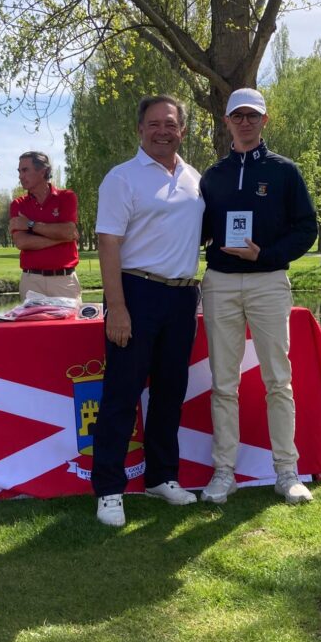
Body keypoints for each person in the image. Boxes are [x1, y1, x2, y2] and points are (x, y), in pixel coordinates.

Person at [199, 88, 319, 504]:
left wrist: (264, 254)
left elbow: (306, 228)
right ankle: (224, 472)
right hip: (220, 282)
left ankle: (287, 471)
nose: (245, 122)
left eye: (253, 116)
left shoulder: (285, 171)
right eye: (238, 116)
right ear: (227, 121)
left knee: (278, 380)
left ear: (264, 120)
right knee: (223, 383)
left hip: (268, 280)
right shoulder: (212, 176)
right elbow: (198, 231)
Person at [90, 95, 205, 527]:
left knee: (170, 393)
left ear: (182, 131)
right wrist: (117, 307)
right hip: (136, 293)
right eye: (154, 124)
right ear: (140, 129)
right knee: (122, 394)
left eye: (170, 124)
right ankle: (109, 489)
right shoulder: (122, 178)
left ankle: (161, 477)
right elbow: (108, 243)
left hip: (182, 296)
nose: (162, 131)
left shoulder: (195, 179)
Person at [9, 151, 81, 302]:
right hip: (31, 282)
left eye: (25, 170)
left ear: (42, 171)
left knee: (70, 319)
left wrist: (30, 224)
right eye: (19, 171)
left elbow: (68, 231)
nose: (20, 176)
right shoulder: (18, 205)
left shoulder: (66, 197)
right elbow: (22, 242)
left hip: (64, 281)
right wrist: (61, 238)